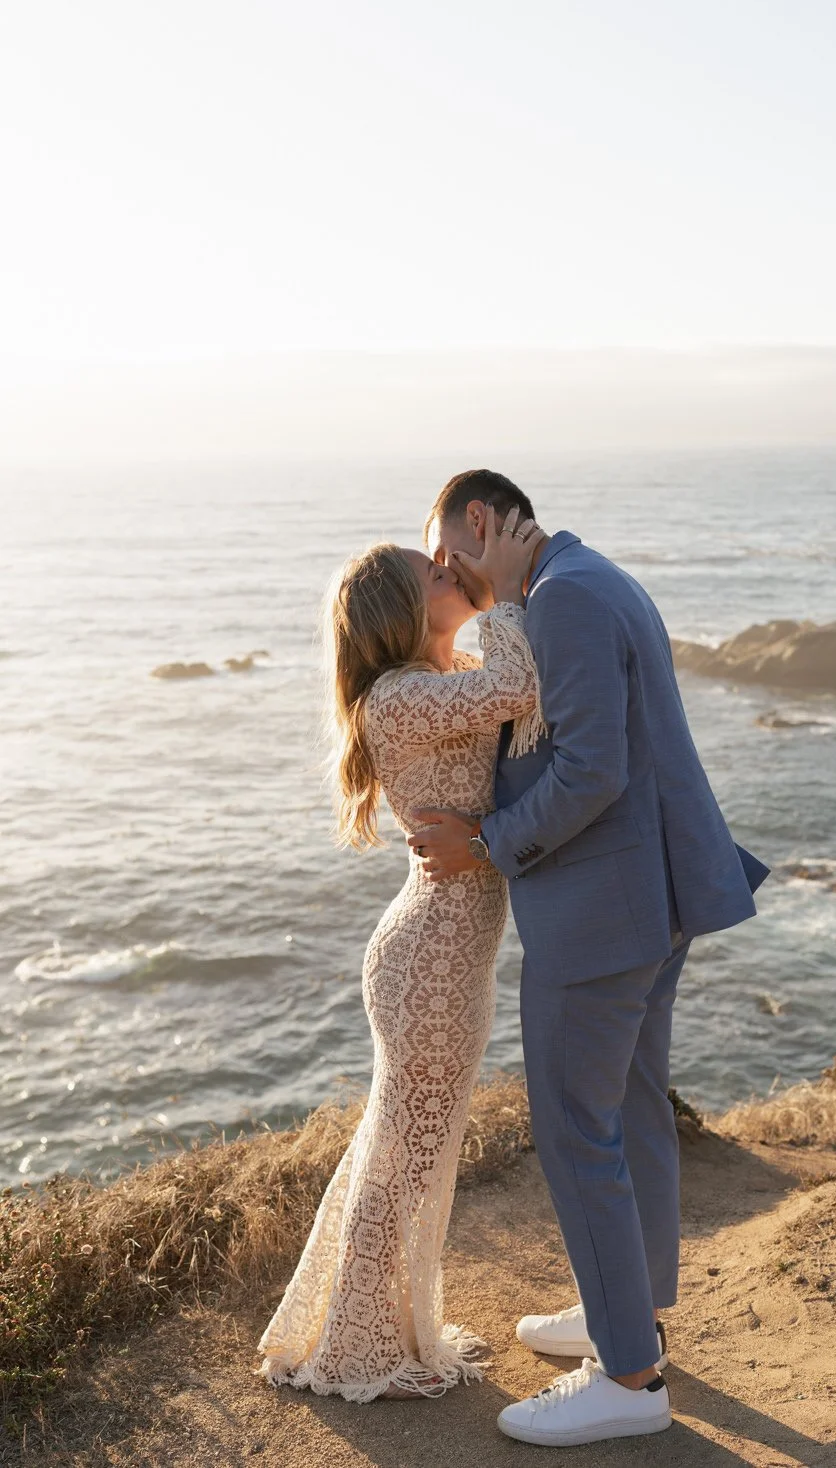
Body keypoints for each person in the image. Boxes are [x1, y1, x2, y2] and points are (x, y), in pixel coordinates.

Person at [410, 469, 769, 1447]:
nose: (452, 576)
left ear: (480, 523)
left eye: (448, 555)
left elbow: (591, 771)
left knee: (576, 1131)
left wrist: (482, 843)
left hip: (603, 917)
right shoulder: (594, 576)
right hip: (653, 900)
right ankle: (629, 1316)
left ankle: (627, 1377)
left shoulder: (564, 600)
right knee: (631, 1110)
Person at [255, 507, 546, 1401]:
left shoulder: (433, 677)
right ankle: (355, 1347)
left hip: (445, 953)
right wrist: (499, 593)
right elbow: (515, 689)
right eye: (433, 574)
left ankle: (372, 1327)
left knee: (410, 1149)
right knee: (403, 1157)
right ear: (401, 611)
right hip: (429, 958)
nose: (447, 569)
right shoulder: (401, 697)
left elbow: (514, 695)